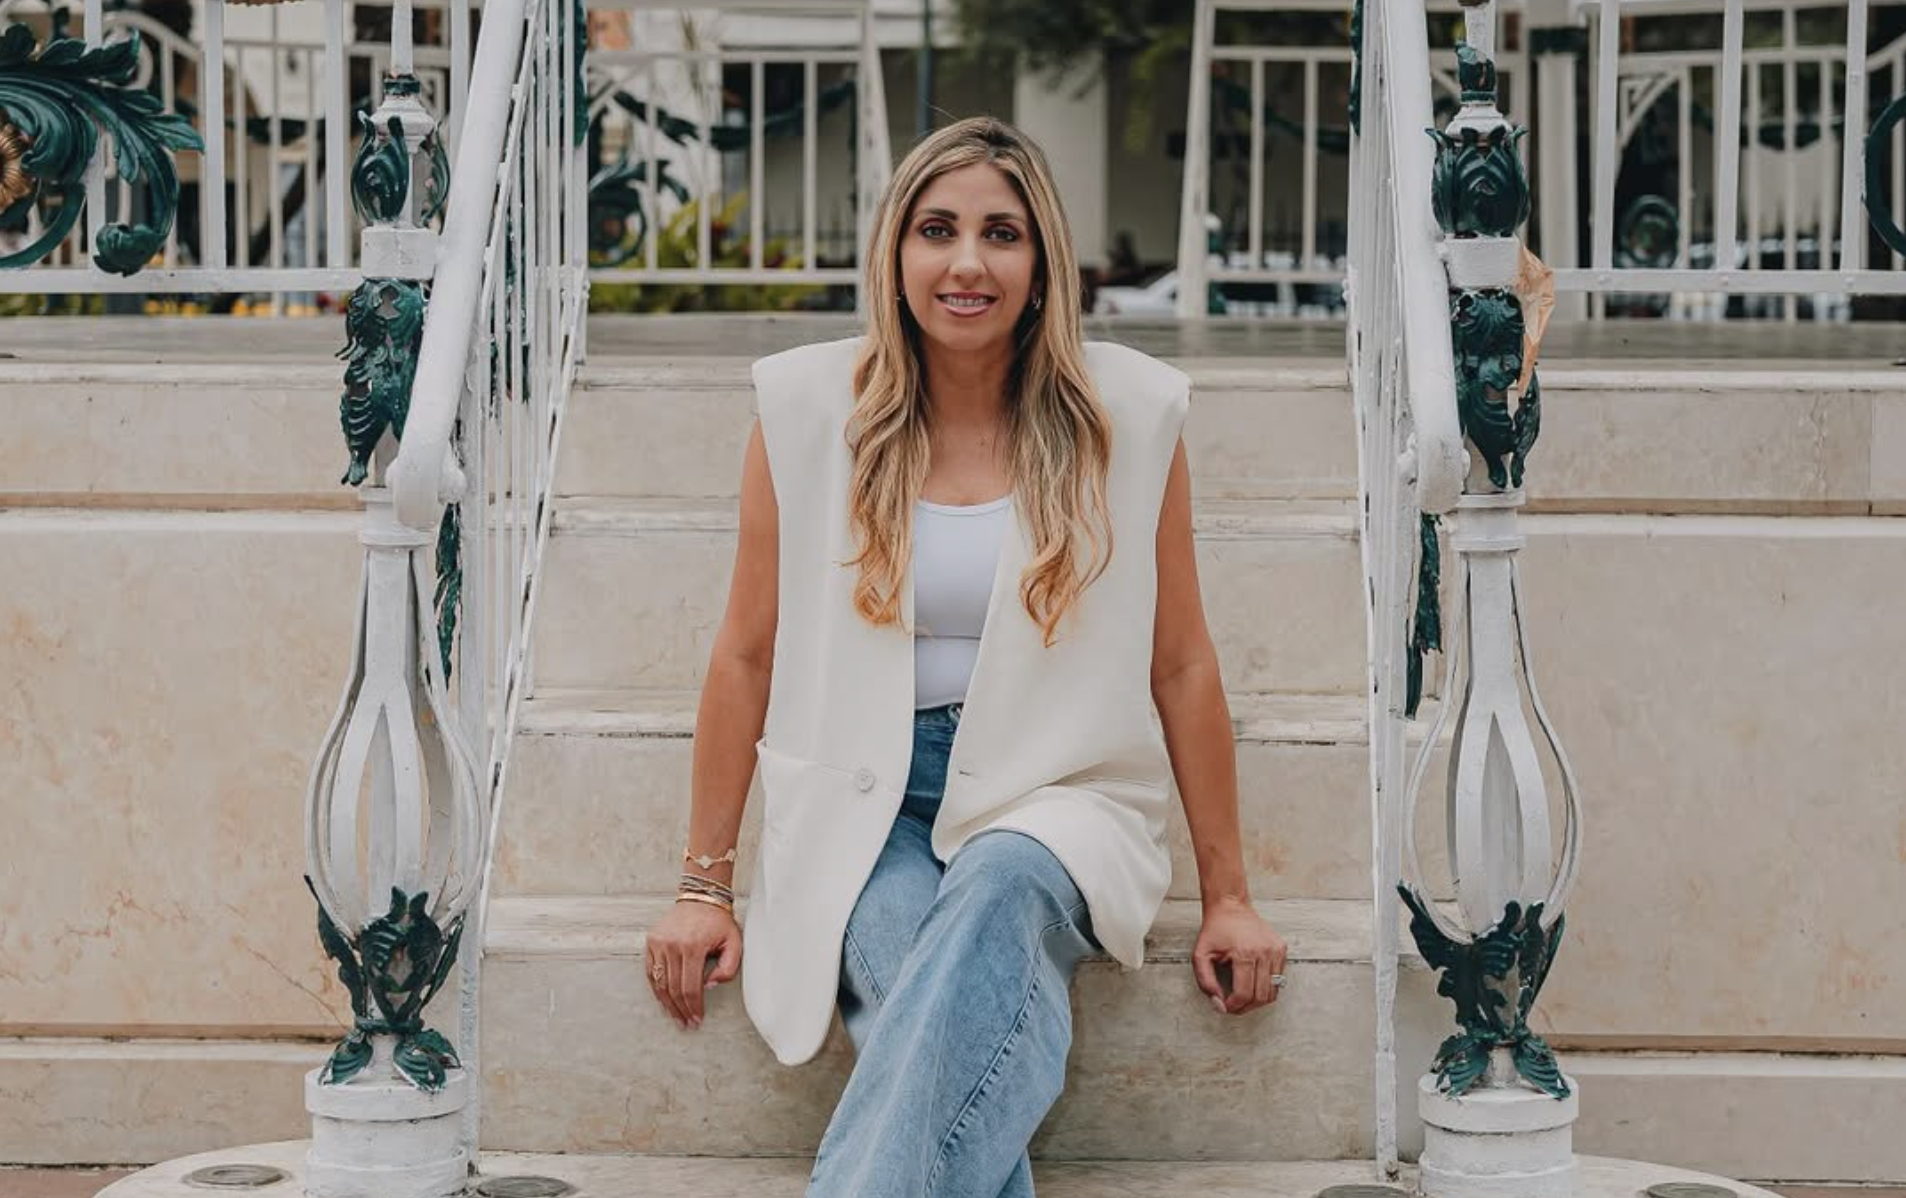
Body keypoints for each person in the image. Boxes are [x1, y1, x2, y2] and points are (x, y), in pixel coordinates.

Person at [642, 116, 1288, 1198]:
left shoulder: (1128, 416)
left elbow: (1180, 663)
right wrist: (702, 884)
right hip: (867, 796)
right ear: (895, 253)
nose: (967, 263)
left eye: (1002, 233)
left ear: (1041, 265)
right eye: (936, 230)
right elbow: (746, 652)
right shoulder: (806, 410)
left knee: (996, 881)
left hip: (1057, 797)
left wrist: (1230, 895)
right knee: (909, 972)